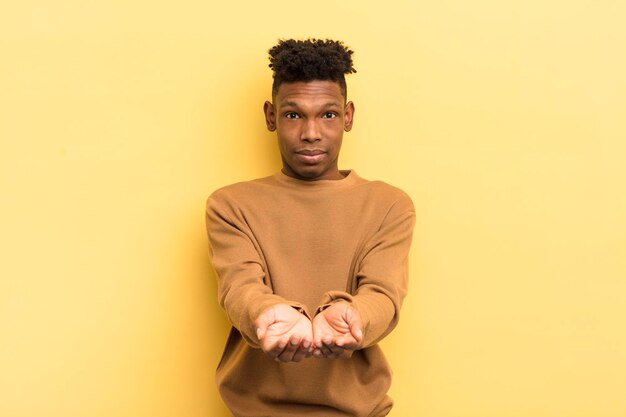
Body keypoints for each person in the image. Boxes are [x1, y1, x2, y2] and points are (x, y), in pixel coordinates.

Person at [205, 38, 416, 417]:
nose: (311, 133)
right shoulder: (230, 205)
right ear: (270, 116)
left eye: (328, 115)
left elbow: (384, 294)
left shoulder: (388, 205)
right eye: (293, 115)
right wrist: (265, 313)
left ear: (349, 116)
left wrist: (355, 317)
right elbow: (239, 287)